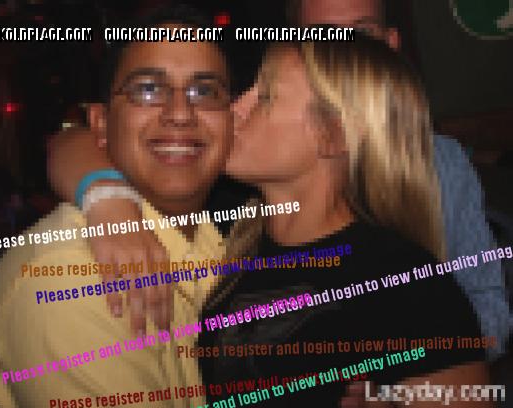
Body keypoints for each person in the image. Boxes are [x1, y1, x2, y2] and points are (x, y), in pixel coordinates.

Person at [47, 0, 511, 361]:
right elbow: (80, 139)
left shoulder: (406, 268)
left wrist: (405, 378)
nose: (237, 109)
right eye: (316, 39)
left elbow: (471, 311)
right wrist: (106, 197)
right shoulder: (236, 199)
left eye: (358, 37)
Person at [199, 35, 496, 408]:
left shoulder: (405, 285)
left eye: (266, 96)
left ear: (333, 135)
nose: (236, 107)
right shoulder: (229, 240)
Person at [0, 7, 239, 408]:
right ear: (100, 124)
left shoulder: (227, 237)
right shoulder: (69, 282)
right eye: (148, 89)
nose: (181, 113)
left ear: (233, 121)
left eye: (205, 91)